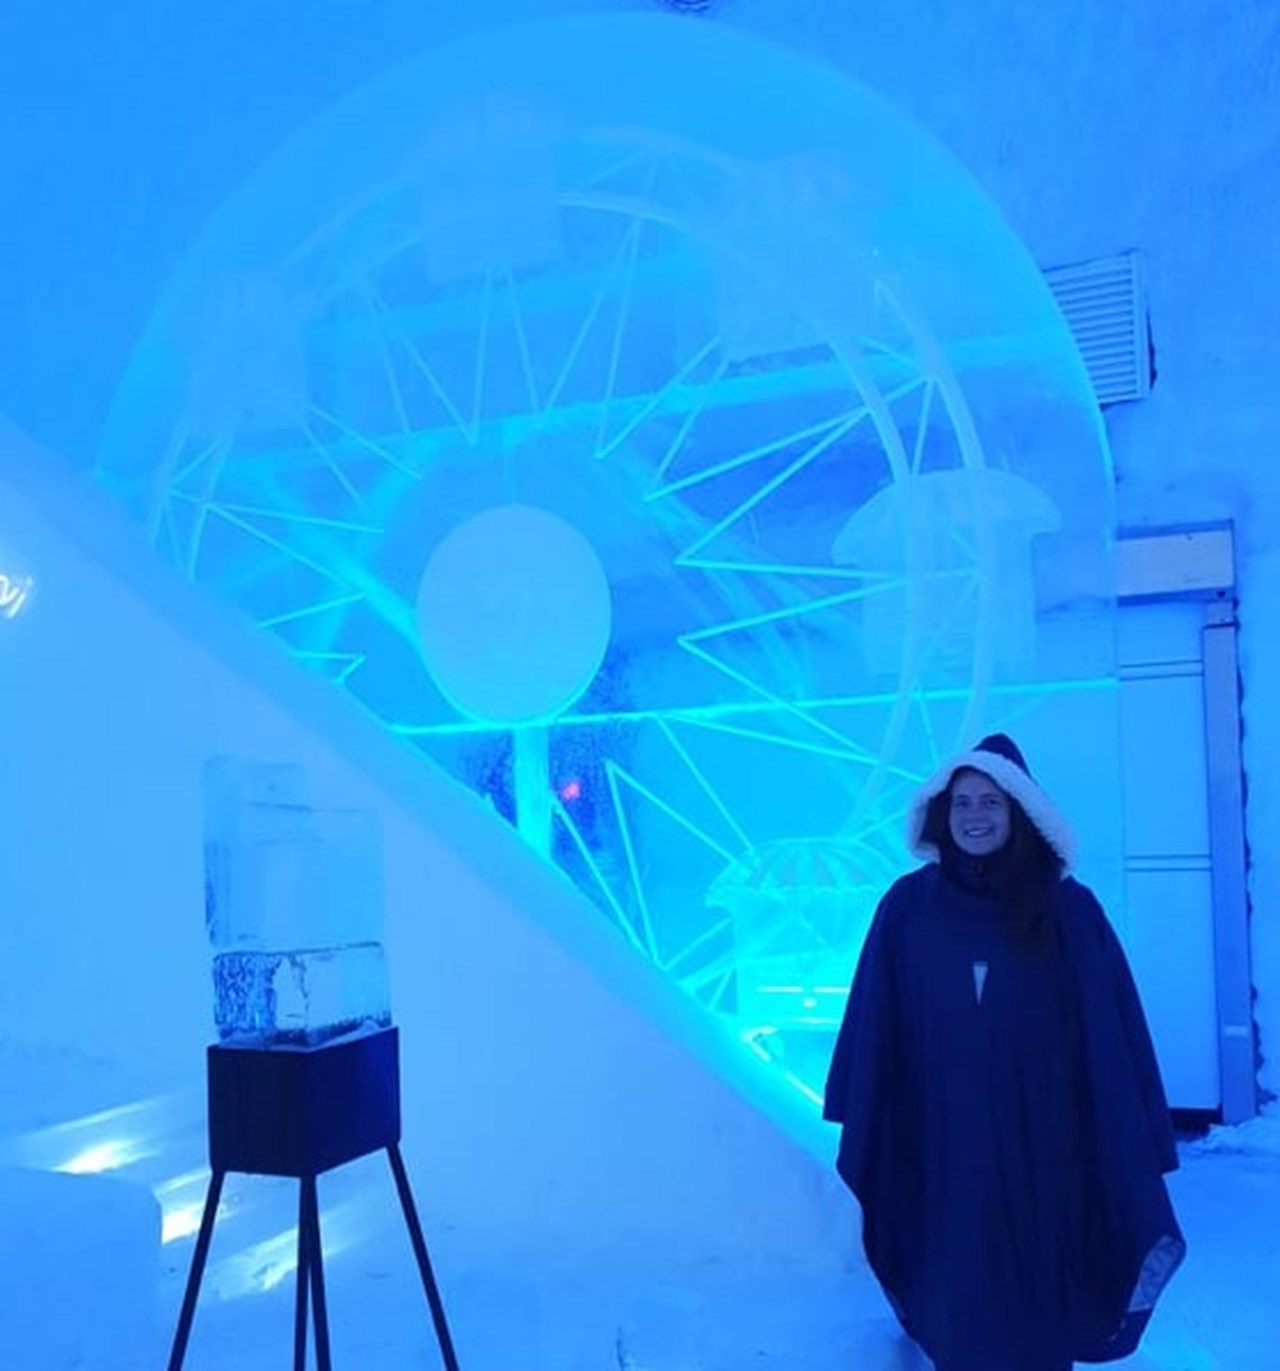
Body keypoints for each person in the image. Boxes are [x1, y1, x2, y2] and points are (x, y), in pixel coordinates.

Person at [823, 734, 1185, 1371]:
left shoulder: (1068, 911)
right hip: (941, 1147)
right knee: (956, 1290)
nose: (976, 816)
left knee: (1036, 1291)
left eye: (992, 801)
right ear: (943, 812)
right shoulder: (907, 910)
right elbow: (878, 1020)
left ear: (1022, 811)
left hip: (1046, 1148)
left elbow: (1111, 1034)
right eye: (963, 803)